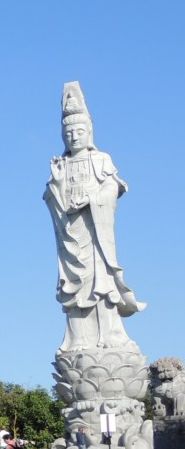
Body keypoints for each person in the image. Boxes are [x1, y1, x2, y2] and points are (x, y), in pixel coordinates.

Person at [44, 81, 144, 352]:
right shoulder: (61, 165)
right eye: (68, 133)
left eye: (78, 131)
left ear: (89, 131)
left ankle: (111, 336)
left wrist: (92, 199)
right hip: (72, 237)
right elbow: (53, 199)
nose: (74, 137)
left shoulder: (100, 159)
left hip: (96, 235)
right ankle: (79, 340)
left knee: (102, 284)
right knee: (76, 289)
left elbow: (114, 187)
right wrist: (57, 183)